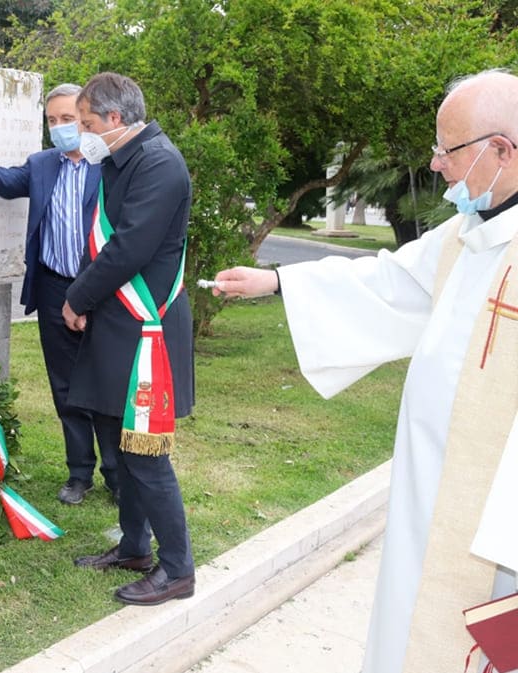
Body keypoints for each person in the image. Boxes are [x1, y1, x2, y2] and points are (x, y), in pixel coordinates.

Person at [211, 69, 518, 673]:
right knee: (411, 625)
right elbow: (389, 282)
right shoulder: (467, 233)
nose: (435, 164)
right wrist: (277, 282)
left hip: (495, 527)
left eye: (448, 149)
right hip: (429, 490)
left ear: (502, 151)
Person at [0, 83, 117, 506]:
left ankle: (118, 475)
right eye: (52, 120)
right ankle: (79, 473)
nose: (60, 127)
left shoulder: (111, 166)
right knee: (66, 387)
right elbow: (2, 181)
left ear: (86, 119)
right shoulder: (42, 165)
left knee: (108, 385)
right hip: (55, 289)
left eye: (68, 119)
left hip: (102, 291)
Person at [65, 72, 197, 606]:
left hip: (147, 331)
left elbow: (128, 249)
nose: (82, 133)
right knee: (122, 446)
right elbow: (102, 244)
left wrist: (77, 297)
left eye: (87, 123)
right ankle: (135, 547)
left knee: (145, 455)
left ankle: (178, 569)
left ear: (115, 119)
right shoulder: (123, 159)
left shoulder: (159, 163)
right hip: (118, 325)